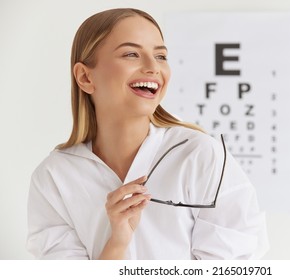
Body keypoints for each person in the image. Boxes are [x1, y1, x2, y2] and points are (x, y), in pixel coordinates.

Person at [26, 8, 269, 260]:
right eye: (131, 54)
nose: (153, 67)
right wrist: (117, 243)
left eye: (161, 56)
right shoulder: (54, 177)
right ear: (85, 77)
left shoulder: (201, 155)